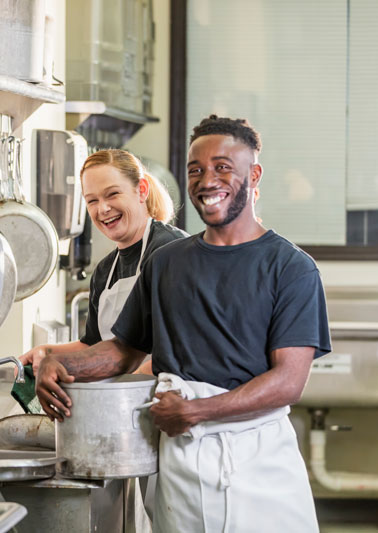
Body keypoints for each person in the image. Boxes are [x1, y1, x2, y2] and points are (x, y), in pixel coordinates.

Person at [35, 115, 331, 532]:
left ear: (254, 173)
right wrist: (60, 365)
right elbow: (123, 351)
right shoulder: (167, 263)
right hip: (182, 462)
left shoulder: (291, 268)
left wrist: (196, 411)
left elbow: (289, 381)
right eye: (196, 170)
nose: (207, 180)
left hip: (258, 459)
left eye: (223, 167)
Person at [19, 149, 186, 373]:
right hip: (118, 396)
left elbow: (185, 347)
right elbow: (94, 345)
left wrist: (127, 389)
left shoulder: (171, 250)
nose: (103, 209)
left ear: (142, 190)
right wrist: (47, 352)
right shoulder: (105, 270)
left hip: (166, 396)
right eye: (92, 201)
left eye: (113, 194)